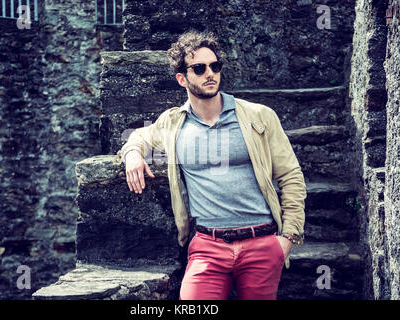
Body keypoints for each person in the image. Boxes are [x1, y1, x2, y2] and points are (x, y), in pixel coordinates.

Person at [118, 30, 306, 300]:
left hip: (261, 242)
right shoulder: (173, 123)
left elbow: (291, 176)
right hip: (208, 246)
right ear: (182, 78)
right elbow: (137, 137)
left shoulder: (259, 116)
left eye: (215, 66)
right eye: (199, 68)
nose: (210, 73)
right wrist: (133, 155)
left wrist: (287, 238)